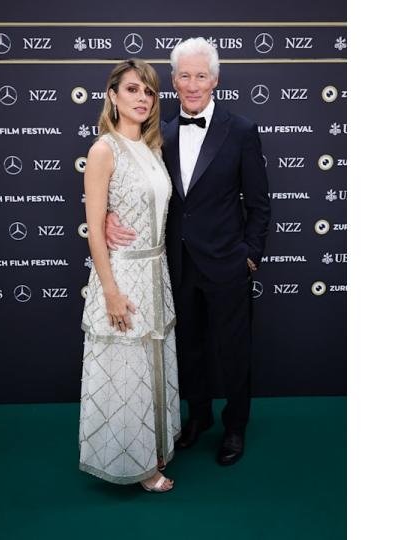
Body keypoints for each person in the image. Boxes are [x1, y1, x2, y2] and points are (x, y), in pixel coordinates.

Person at [106, 38, 271, 467]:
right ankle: (197, 417)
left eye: (201, 75)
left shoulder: (241, 130)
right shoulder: (160, 134)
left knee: (234, 350)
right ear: (173, 81)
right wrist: (107, 217)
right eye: (184, 76)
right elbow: (137, 186)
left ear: (215, 80)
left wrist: (249, 256)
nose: (192, 84)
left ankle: (235, 426)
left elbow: (259, 203)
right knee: (189, 349)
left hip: (228, 264)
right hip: (176, 264)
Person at [78, 59, 180, 493]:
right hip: (122, 275)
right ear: (113, 95)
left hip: (157, 271)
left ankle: (151, 447)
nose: (142, 98)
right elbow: (95, 229)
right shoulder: (104, 149)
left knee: (151, 366)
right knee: (126, 371)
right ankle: (137, 467)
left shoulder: (153, 148)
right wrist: (111, 292)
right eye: (133, 89)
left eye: (149, 92)